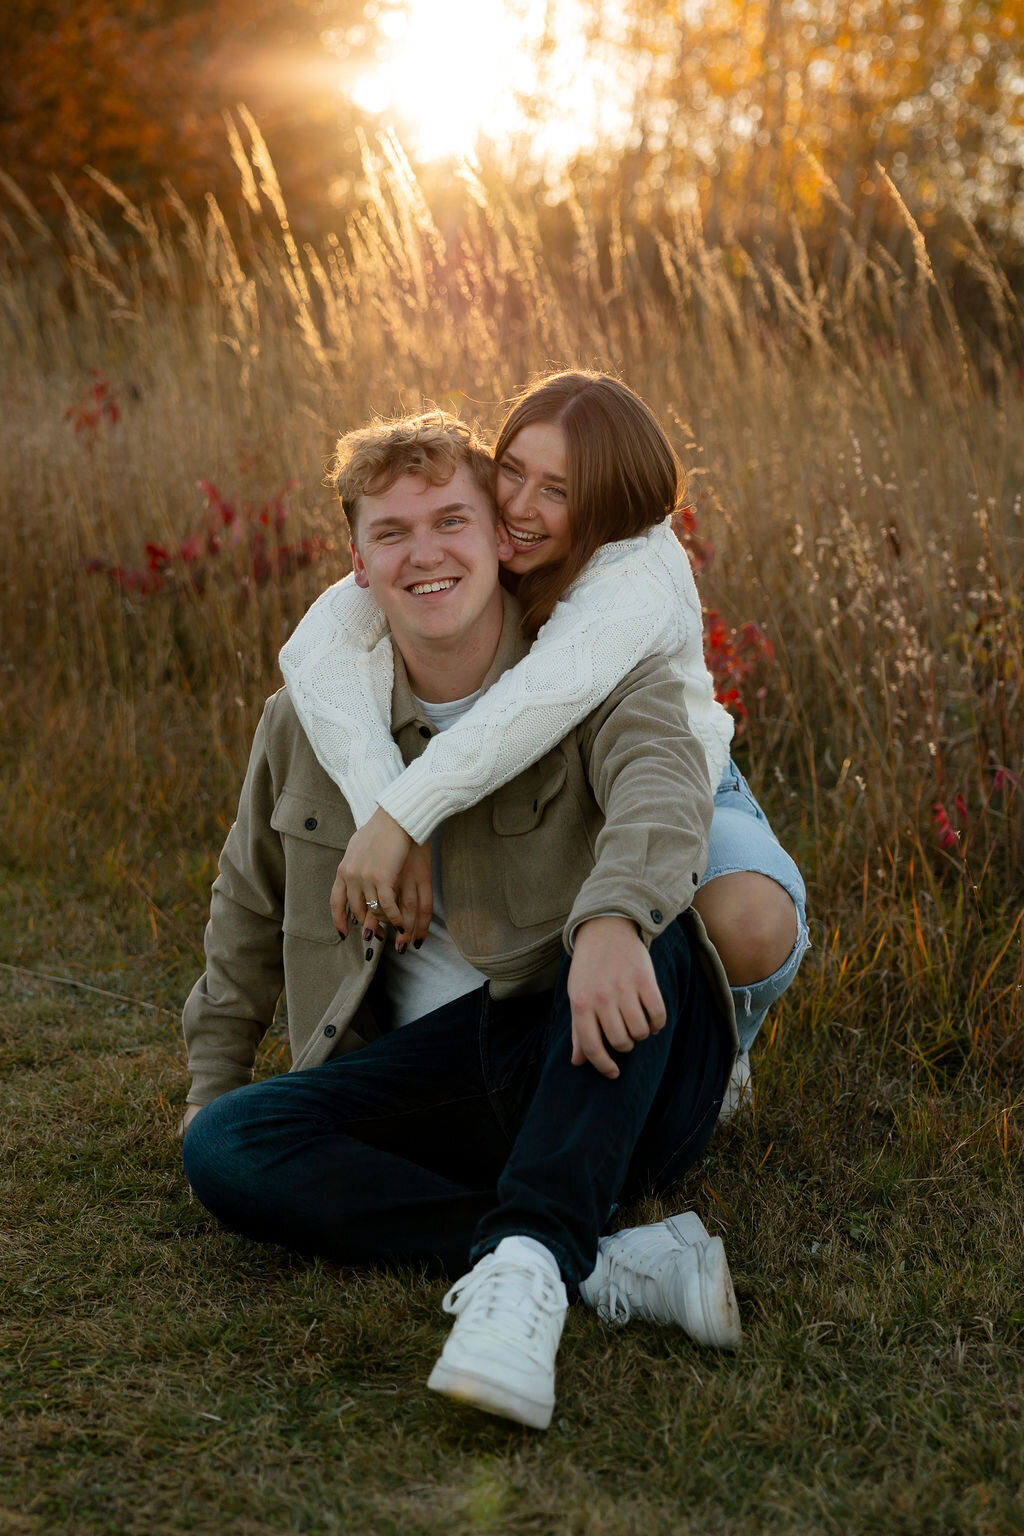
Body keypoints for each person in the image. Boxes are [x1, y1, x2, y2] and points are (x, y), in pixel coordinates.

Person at [182, 409, 742, 1433]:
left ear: (499, 540)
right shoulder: (307, 716)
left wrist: (613, 920)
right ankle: (584, 1251)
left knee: (641, 926)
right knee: (227, 1146)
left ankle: (524, 1278)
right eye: (391, 533)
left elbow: (664, 792)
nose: (425, 553)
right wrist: (211, 1080)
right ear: (356, 562)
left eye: (451, 520)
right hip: (438, 1080)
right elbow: (247, 901)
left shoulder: (596, 672)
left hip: (596, 1045)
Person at [280, 371, 808, 1076]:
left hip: (679, 785)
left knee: (747, 918)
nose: (521, 508)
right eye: (514, 472)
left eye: (557, 491)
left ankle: (720, 1050)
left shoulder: (638, 573)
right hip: (547, 782)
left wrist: (402, 816)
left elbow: (539, 701)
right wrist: (379, 803)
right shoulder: (477, 541)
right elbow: (320, 641)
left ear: (607, 504)